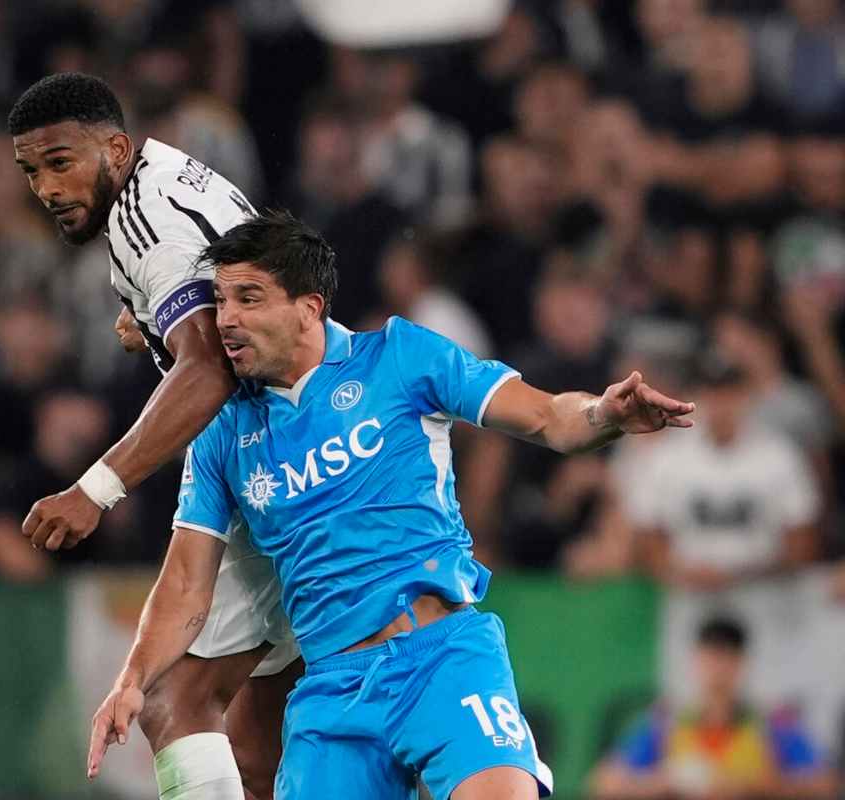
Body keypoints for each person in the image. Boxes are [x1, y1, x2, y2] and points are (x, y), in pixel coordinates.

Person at [87, 211, 696, 799]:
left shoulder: (401, 357)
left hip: (443, 659)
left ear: (309, 308)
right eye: (220, 300)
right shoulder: (221, 430)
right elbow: (185, 584)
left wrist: (603, 413)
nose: (226, 319)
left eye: (249, 298)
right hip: (333, 692)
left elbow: (546, 417)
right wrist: (132, 679)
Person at [8, 73, 296, 800]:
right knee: (262, 744)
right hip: (307, 444)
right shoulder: (170, 173)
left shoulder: (144, 223)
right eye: (31, 171)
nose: (47, 188)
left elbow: (208, 369)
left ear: (114, 149)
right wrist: (155, 318)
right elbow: (233, 283)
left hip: (276, 461)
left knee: (172, 702)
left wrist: (94, 488)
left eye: (60, 162)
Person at [590, 616, 837, 800]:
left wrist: (759, 786)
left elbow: (826, 783)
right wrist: (663, 783)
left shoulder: (773, 724)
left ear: (741, 663)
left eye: (727, 658)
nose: (718, 668)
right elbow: (605, 783)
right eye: (711, 657)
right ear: (696, 660)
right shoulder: (667, 724)